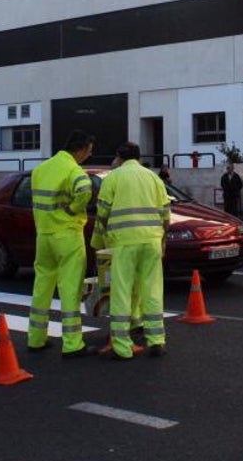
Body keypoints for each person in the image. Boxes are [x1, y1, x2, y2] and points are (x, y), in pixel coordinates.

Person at [93, 141, 170, 360]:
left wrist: (98, 242)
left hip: (125, 242)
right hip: (152, 240)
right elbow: (166, 213)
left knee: (122, 290)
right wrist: (162, 240)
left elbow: (102, 213)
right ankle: (156, 340)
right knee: (152, 289)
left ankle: (121, 345)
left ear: (119, 157)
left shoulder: (113, 178)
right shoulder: (153, 177)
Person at [27, 130, 95, 358]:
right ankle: (72, 343)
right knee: (70, 288)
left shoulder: (41, 169)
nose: (89, 155)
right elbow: (85, 190)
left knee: (42, 286)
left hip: (43, 235)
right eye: (89, 150)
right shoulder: (74, 170)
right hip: (66, 235)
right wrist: (73, 209)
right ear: (83, 149)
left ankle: (35, 338)